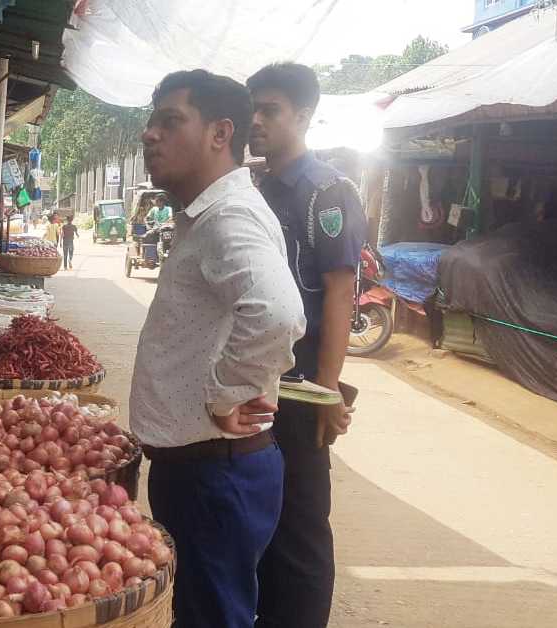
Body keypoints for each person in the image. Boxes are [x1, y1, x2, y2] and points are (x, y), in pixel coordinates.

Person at [130, 69, 306, 628]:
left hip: (215, 475)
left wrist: (228, 394)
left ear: (220, 133)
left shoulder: (229, 217)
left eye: (170, 121)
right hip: (204, 471)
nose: (149, 135)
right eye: (150, 122)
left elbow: (278, 312)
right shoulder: (207, 214)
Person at [245, 62, 366, 628]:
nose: (256, 121)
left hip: (301, 389)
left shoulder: (327, 192)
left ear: (304, 116)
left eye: (269, 110)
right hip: (254, 382)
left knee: (301, 522)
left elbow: (342, 291)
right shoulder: (256, 189)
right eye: (254, 109)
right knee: (258, 513)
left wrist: (327, 389)